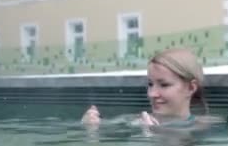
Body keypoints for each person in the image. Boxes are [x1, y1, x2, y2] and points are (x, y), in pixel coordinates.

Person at [82, 48, 219, 136]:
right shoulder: (134, 120)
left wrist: (156, 137)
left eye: (164, 85)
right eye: (150, 84)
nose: (151, 94)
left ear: (191, 88)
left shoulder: (207, 128)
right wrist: (91, 125)